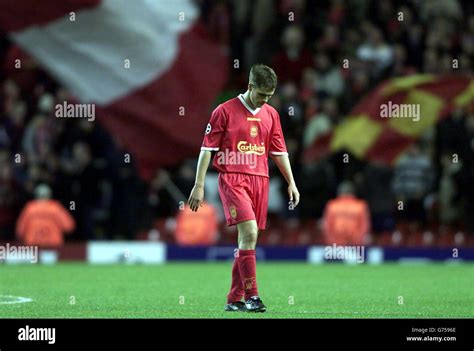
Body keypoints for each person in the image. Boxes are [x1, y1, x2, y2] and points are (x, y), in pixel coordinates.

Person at [187, 64, 300, 313]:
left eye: (269, 96)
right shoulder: (224, 111)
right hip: (233, 178)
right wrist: (198, 185)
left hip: (261, 179)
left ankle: (234, 298)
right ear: (250, 87)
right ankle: (253, 296)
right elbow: (207, 149)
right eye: (261, 95)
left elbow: (279, 152)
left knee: (248, 240)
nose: (265, 100)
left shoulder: (271, 114)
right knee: (248, 233)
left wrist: (291, 182)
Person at [16, 184, 75, 248]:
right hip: (53, 244)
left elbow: (20, 230)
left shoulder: (29, 208)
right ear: (49, 195)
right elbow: (69, 226)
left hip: (33, 244)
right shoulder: (55, 207)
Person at [323, 181, 370, 246]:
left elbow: (327, 226)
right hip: (355, 244)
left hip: (336, 243)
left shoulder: (332, 205)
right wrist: (358, 240)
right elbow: (365, 225)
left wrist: (331, 241)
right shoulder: (361, 205)